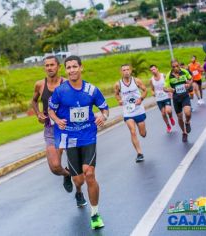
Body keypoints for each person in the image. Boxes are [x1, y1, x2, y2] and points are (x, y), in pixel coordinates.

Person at [48, 55, 109, 230]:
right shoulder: (60, 91)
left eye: (75, 66)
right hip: (70, 138)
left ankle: (95, 214)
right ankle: (78, 191)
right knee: (79, 179)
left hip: (88, 136)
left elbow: (105, 108)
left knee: (89, 174)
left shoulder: (91, 90)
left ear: (81, 68)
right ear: (65, 70)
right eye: (68, 67)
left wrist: (103, 116)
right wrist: (57, 120)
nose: (72, 70)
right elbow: (51, 110)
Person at [31, 55, 73, 193]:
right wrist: (38, 114)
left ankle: (79, 193)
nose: (49, 68)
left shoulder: (67, 84)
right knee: (55, 167)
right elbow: (34, 101)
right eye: (47, 65)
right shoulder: (40, 85)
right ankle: (67, 174)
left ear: (58, 67)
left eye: (52, 65)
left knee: (78, 168)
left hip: (68, 128)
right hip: (50, 129)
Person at [114, 64, 147, 162]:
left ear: (130, 71)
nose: (126, 71)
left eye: (128, 69)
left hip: (139, 110)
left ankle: (144, 131)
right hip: (128, 112)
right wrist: (119, 100)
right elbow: (116, 94)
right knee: (132, 131)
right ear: (121, 72)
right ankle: (139, 153)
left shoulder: (136, 81)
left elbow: (145, 90)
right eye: (124, 70)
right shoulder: (118, 84)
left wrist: (141, 98)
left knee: (143, 134)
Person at [164, 59, 193, 143]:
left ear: (179, 65)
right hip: (176, 99)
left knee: (187, 113)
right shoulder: (168, 75)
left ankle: (187, 122)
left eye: (177, 66)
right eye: (174, 67)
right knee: (180, 117)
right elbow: (164, 88)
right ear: (171, 67)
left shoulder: (184, 71)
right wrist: (169, 89)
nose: (176, 68)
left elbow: (191, 79)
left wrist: (189, 84)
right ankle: (184, 133)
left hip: (185, 96)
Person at [149, 64, 175, 133]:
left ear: (157, 69)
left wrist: (170, 90)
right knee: (163, 113)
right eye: (151, 70)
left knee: (168, 111)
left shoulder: (163, 76)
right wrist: (152, 93)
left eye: (154, 69)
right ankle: (168, 125)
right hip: (159, 99)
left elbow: (169, 83)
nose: (153, 71)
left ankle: (171, 117)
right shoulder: (151, 80)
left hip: (166, 96)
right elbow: (151, 89)